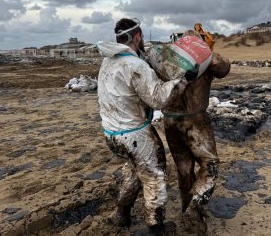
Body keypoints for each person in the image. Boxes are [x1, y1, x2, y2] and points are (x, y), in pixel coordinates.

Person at [97, 18, 193, 235]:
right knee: (155, 176)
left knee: (133, 171)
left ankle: (122, 214)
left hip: (112, 132)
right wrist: (183, 80)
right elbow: (157, 99)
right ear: (138, 37)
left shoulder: (108, 62)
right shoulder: (135, 65)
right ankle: (156, 227)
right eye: (142, 39)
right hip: (135, 135)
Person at [161, 30, 231, 235]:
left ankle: (186, 208)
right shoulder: (205, 58)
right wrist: (207, 53)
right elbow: (224, 68)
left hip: (170, 120)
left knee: (183, 167)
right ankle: (195, 208)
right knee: (210, 165)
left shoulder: (168, 59)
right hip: (195, 119)